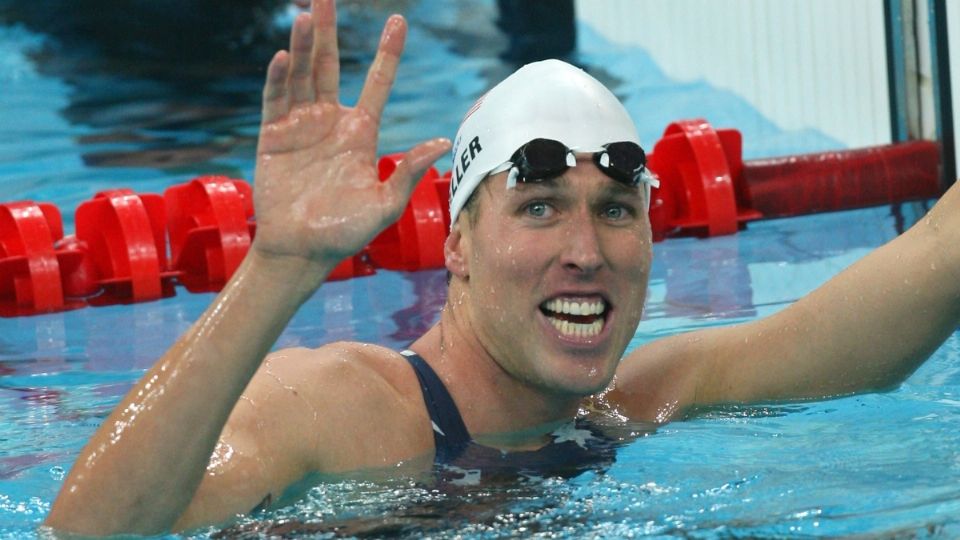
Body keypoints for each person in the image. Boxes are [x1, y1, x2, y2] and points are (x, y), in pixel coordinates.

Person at [44, 0, 960, 535]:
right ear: (455, 246)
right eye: (538, 207)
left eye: (614, 210)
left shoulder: (635, 409)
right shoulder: (342, 408)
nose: (585, 251)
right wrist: (279, 264)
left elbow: (933, 260)